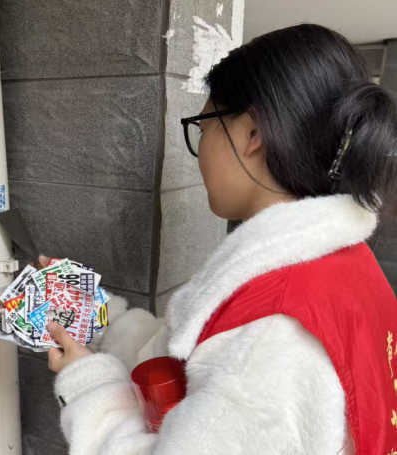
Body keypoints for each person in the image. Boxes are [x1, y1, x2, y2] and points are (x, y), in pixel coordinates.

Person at [44, 23, 397, 454]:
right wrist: (96, 314)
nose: (202, 146)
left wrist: (88, 386)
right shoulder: (340, 264)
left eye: (204, 124)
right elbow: (194, 361)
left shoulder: (271, 331)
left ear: (253, 133)